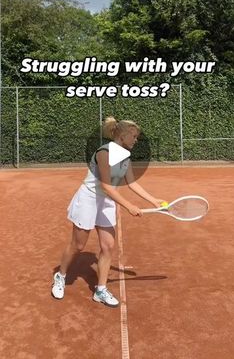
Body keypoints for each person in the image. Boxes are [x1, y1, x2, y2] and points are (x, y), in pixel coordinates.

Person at [51, 117, 165, 307]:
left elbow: (131, 182)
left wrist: (153, 200)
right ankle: (60, 275)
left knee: (108, 246)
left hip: (106, 203)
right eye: (134, 136)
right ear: (122, 135)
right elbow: (106, 186)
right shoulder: (104, 153)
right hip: (88, 199)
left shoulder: (125, 156)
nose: (136, 140)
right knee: (78, 245)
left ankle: (100, 290)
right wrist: (129, 206)